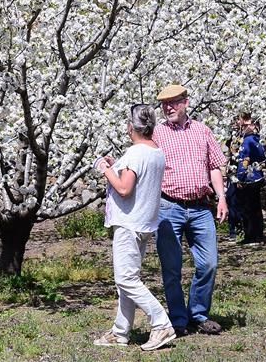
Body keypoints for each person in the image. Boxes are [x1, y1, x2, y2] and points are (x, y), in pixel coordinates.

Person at [92, 104, 178, 351]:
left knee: (126, 279)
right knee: (127, 279)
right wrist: (116, 164)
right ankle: (120, 331)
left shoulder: (136, 153)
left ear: (132, 127)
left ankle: (161, 323)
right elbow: (137, 178)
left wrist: (106, 169)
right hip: (144, 222)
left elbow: (124, 188)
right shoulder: (156, 152)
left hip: (129, 224)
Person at [153, 84, 228, 336]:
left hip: (200, 208)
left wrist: (221, 198)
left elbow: (214, 166)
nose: (168, 107)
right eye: (164, 104)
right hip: (168, 207)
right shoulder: (157, 134)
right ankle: (178, 319)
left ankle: (198, 314)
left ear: (186, 102)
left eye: (173, 102)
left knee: (208, 263)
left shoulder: (202, 131)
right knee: (171, 268)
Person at [233, 113, 266, 244]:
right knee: (256, 207)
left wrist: (240, 177)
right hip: (258, 176)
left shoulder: (248, 140)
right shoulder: (259, 139)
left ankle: (251, 235)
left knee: (247, 208)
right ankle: (258, 234)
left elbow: (244, 160)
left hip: (249, 178)